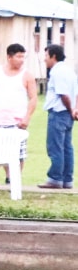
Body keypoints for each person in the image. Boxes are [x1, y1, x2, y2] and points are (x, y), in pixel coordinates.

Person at [0, 43, 38, 191]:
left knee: (18, 153)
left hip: (17, 121)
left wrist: (27, 117)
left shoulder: (27, 75)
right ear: (9, 57)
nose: (21, 60)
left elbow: (33, 98)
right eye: (18, 56)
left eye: (23, 57)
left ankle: (15, 179)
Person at [38, 43, 78, 190]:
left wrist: (69, 108)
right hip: (69, 114)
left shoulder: (56, 72)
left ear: (53, 56)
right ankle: (67, 179)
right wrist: (75, 109)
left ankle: (55, 178)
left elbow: (63, 94)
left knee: (55, 147)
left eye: (46, 56)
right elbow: (76, 93)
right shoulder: (70, 71)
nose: (44, 60)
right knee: (67, 147)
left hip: (59, 112)